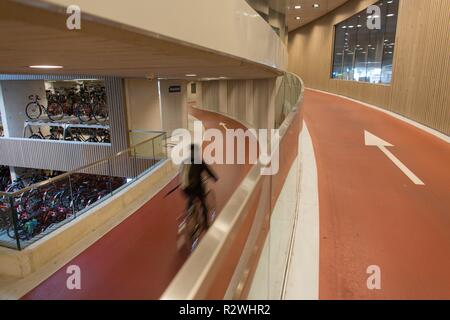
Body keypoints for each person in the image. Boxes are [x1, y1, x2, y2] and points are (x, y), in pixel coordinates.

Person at [180, 144, 218, 229]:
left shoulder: (184, 161)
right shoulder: (199, 161)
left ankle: (189, 212)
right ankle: (205, 224)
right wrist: (215, 178)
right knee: (203, 202)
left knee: (190, 199)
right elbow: (208, 171)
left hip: (185, 189)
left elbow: (181, 173)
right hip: (196, 188)